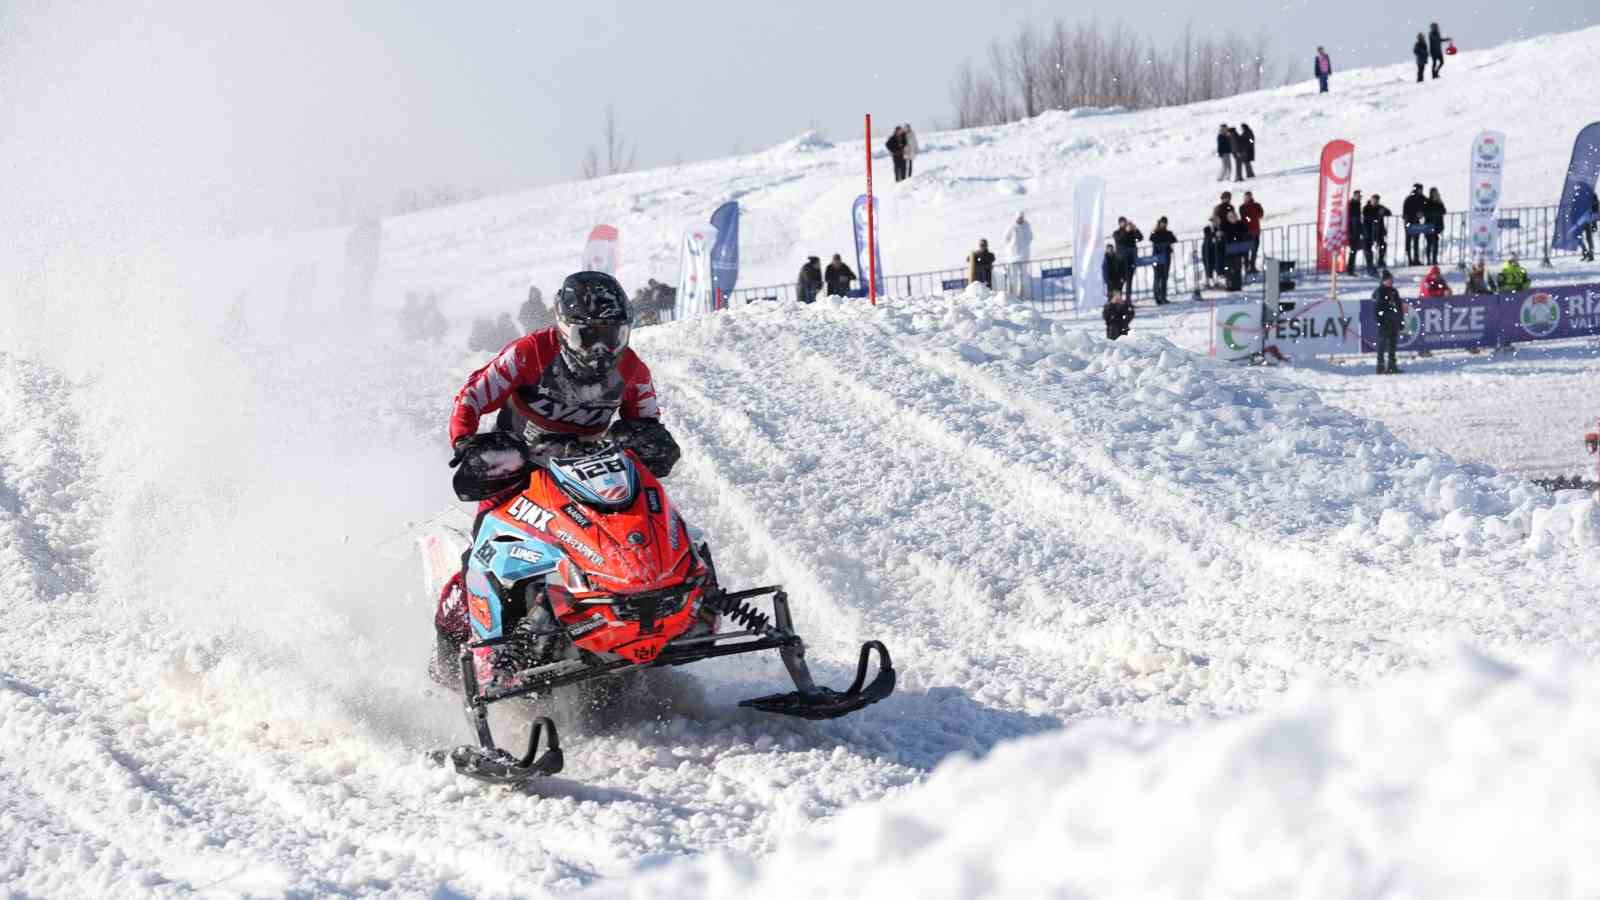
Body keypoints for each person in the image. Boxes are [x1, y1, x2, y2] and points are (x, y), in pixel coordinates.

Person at [433, 271, 680, 682]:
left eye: (613, 336)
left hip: (588, 468)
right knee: (487, 549)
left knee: (632, 524)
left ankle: (664, 605)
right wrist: (465, 443)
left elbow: (646, 421)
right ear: (565, 330)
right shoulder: (531, 352)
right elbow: (472, 394)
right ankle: (482, 650)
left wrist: (651, 443)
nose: (602, 350)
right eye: (589, 337)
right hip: (517, 467)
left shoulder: (632, 368)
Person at [1372, 271, 1405, 374]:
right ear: (1384, 281)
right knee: (1382, 344)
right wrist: (1381, 321)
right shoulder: (1380, 292)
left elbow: (1399, 307)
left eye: (1391, 279)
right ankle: (1380, 366)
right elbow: (1377, 309)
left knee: (1392, 345)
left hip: (1393, 322)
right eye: (1388, 280)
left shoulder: (1394, 291)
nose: (1391, 281)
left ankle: (1391, 365)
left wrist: (1400, 320)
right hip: (1384, 322)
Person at [1003, 212, 1034, 297]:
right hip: (1013, 256)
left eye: (1021, 218)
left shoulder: (1027, 226)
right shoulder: (1012, 226)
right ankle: (1013, 294)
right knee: (1013, 276)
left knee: (1024, 276)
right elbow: (1006, 238)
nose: (1020, 219)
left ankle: (1024, 294)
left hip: (1024, 256)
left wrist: (1024, 246)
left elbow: (1030, 237)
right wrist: (1012, 247)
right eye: (1018, 218)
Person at [1148, 217, 1177, 305]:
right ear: (1159, 223)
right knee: (1157, 277)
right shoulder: (1155, 232)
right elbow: (1151, 238)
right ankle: (1157, 297)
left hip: (1166, 257)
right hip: (1156, 257)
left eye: (1165, 223)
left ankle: (1163, 296)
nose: (1164, 224)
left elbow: (1174, 239)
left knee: (1164, 277)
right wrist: (1155, 230)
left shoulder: (1168, 233)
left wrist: (1167, 242)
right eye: (1162, 222)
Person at [1220, 210, 1250, 292]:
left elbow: (1245, 232)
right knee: (1229, 270)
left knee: (1237, 269)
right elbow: (1223, 235)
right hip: (1228, 251)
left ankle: (1237, 285)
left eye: (1234, 216)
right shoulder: (1225, 225)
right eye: (1230, 217)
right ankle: (1229, 285)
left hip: (1238, 251)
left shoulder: (1240, 224)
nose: (1233, 218)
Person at [1113, 217, 1142, 298]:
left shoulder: (1131, 232)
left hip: (1130, 261)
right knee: (1120, 283)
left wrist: (1135, 229)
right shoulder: (1116, 233)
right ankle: (1119, 301)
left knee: (1129, 282)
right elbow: (1120, 240)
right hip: (1121, 262)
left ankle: (1128, 301)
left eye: (1125, 222)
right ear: (1119, 223)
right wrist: (1126, 231)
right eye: (1122, 222)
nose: (1125, 224)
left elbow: (1140, 238)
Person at [1364, 195, 1393, 271]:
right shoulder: (1367, 207)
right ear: (1371, 200)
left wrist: (1383, 212)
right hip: (1369, 231)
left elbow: (1389, 213)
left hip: (1380, 230)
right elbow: (1366, 215)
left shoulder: (1380, 207)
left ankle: (1380, 260)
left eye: (1377, 200)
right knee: (1368, 247)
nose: (1375, 202)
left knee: (1382, 245)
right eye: (1374, 200)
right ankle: (1369, 263)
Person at [1402, 184, 1427, 265]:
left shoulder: (1422, 198)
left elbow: (1428, 205)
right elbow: (1405, 212)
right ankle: (1409, 259)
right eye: (1420, 189)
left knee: (1416, 241)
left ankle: (1416, 259)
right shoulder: (1409, 199)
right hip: (1409, 222)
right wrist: (1415, 214)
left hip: (1416, 222)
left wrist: (1422, 213)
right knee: (1408, 240)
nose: (1421, 191)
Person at [1239, 192, 1264, 273]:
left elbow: (1261, 214)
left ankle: (1252, 267)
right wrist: (1251, 219)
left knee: (1254, 250)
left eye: (1248, 197)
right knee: (1246, 251)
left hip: (1256, 231)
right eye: (1246, 197)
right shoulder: (1242, 207)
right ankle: (1246, 268)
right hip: (1246, 232)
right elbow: (1245, 217)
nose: (1247, 198)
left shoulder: (1257, 205)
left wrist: (1252, 218)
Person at [1422, 187, 1447, 266]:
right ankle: (1429, 260)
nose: (1435, 195)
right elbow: (1425, 211)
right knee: (1429, 243)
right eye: (1434, 193)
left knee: (1435, 243)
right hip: (1429, 225)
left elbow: (1443, 211)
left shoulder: (1439, 202)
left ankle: (1434, 260)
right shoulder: (1427, 202)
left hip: (1437, 226)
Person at [1346, 189, 1367, 274]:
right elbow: (1353, 219)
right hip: (1352, 231)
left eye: (1360, 196)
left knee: (1354, 250)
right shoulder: (1352, 204)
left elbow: (1358, 220)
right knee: (1353, 250)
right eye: (1358, 196)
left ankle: (1351, 268)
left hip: (1356, 231)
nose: (1359, 198)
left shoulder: (1357, 204)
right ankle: (1350, 269)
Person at [1201, 219, 1219, 289]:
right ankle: (1207, 281)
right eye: (1212, 221)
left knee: (1214, 265)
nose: (1213, 223)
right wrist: (1214, 235)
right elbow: (1208, 236)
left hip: (1214, 250)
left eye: (1214, 221)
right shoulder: (1207, 228)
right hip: (1207, 249)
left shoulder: (1217, 228)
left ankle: (1214, 281)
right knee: (1207, 266)